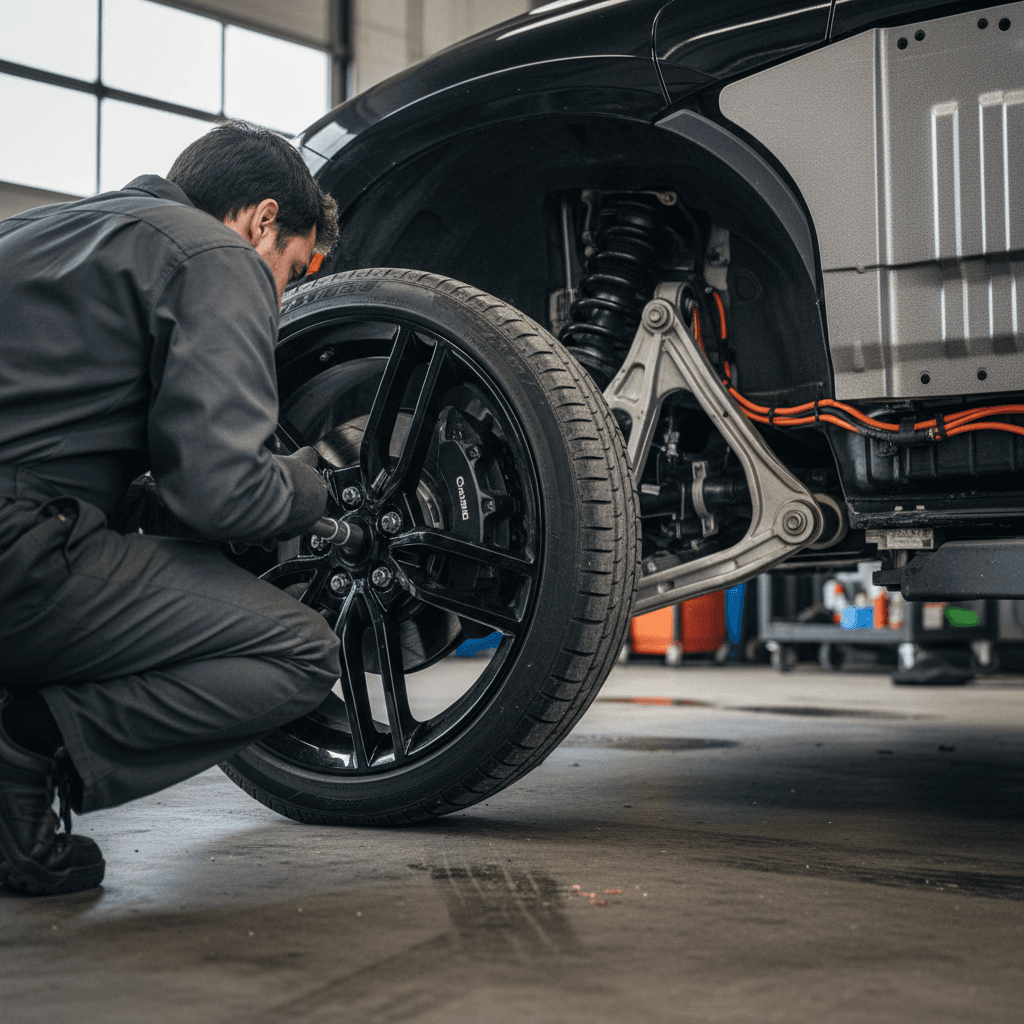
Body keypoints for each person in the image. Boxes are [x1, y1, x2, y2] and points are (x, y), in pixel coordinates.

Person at [0, 121, 343, 896]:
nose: (283, 293)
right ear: (262, 221)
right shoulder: (214, 255)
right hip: (17, 554)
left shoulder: (35, 231)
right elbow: (222, 493)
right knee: (301, 654)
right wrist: (315, 481)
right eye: (295, 268)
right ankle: (22, 749)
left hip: (25, 521)